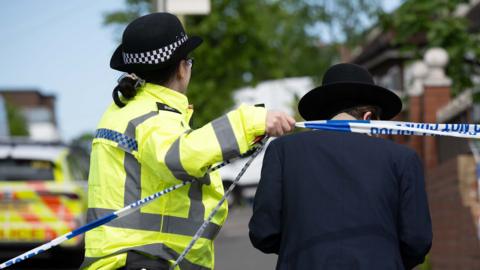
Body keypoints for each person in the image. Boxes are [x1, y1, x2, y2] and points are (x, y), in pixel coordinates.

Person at [80, 13, 295, 270]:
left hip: (132, 258)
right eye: (190, 62)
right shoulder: (151, 116)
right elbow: (180, 155)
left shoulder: (124, 111)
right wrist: (250, 121)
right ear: (182, 69)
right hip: (144, 258)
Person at [249, 63, 432, 270]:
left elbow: (263, 231)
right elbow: (417, 240)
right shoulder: (403, 158)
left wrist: (301, 250)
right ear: (369, 117)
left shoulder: (282, 151)